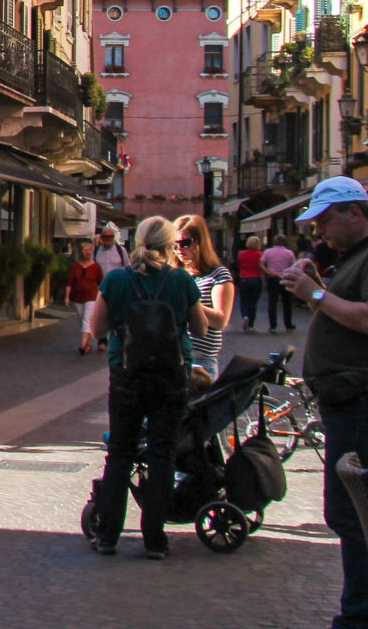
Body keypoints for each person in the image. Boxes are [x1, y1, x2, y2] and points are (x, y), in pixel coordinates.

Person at [279, 177, 368, 629]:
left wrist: (314, 292)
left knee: (358, 512)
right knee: (352, 512)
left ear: (355, 212)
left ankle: (367, 614)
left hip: (366, 399)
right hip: (351, 399)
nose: (319, 231)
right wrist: (315, 288)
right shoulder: (361, 256)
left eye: (325, 220)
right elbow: (346, 316)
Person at [86, 215, 208, 559]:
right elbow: (199, 328)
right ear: (171, 246)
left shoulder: (117, 280)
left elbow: (96, 330)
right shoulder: (182, 280)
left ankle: (108, 536)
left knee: (121, 454)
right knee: (162, 454)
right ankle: (155, 539)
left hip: (126, 375)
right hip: (171, 376)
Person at [173, 214, 234, 382]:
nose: (179, 249)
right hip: (173, 358)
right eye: (174, 244)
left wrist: (187, 300)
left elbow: (220, 320)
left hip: (200, 362)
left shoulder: (218, 274)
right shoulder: (175, 273)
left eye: (185, 243)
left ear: (200, 242)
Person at [65, 240, 104, 356]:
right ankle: (88, 343)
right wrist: (67, 297)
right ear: (81, 252)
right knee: (82, 320)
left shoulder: (96, 267)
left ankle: (82, 345)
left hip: (92, 296)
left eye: (90, 250)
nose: (88, 252)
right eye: (85, 250)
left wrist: (101, 298)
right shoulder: (75, 267)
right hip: (77, 297)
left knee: (87, 319)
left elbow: (101, 283)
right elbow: (70, 282)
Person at [261, 232, 298, 332]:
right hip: (285, 278)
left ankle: (273, 325)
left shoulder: (268, 252)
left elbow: (262, 263)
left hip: (272, 278)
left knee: (272, 302)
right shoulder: (290, 253)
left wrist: (268, 271)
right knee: (287, 302)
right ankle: (288, 324)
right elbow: (294, 265)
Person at [236, 235, 265, 330]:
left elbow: (239, 265)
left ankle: (245, 316)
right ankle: (251, 324)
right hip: (257, 278)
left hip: (244, 278)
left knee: (244, 301)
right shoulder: (260, 254)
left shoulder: (241, 254)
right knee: (253, 302)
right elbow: (262, 266)